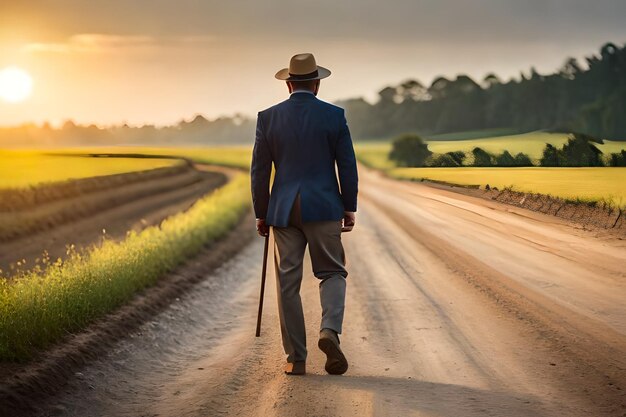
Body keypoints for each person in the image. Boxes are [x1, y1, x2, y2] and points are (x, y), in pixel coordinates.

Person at [250, 53, 358, 376]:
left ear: (288, 85)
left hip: (282, 210)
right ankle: (329, 331)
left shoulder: (268, 118)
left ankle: (296, 358)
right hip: (324, 206)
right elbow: (347, 166)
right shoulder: (334, 116)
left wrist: (261, 212)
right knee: (332, 272)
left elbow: (259, 171)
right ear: (317, 84)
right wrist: (348, 206)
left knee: (287, 283)